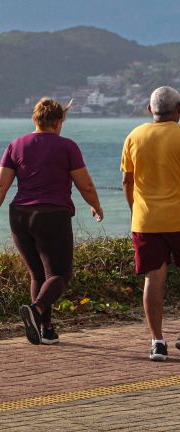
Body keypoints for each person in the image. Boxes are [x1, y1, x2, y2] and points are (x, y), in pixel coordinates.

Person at [0, 97, 103, 346]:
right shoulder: (67, 146)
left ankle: (46, 330)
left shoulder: (16, 145)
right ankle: (36, 310)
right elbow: (84, 184)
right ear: (57, 122)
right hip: (52, 216)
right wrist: (96, 206)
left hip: (20, 215)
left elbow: (1, 186)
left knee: (38, 274)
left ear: (35, 119)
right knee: (60, 274)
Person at [121, 86, 180, 361]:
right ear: (179, 110)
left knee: (153, 279)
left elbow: (127, 181)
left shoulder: (134, 136)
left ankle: (157, 341)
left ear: (149, 109)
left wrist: (136, 210)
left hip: (146, 220)